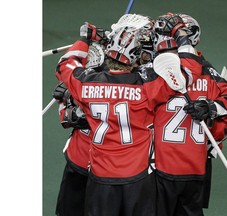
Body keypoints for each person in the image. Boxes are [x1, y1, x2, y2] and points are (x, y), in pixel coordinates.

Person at [55, 18, 179, 216]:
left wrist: (86, 39)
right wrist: (168, 42)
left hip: (100, 177)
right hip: (137, 177)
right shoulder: (148, 88)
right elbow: (178, 76)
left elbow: (65, 63)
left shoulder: (86, 84)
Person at [153, 13, 227, 216]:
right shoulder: (208, 73)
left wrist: (210, 107)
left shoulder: (152, 72)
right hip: (189, 164)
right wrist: (212, 107)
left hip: (165, 164)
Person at [52, 40, 107, 216]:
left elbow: (65, 64)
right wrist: (69, 103)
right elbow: (66, 120)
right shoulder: (78, 84)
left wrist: (83, 40)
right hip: (81, 163)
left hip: (103, 171)